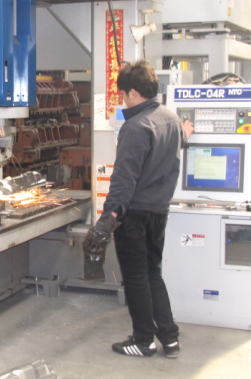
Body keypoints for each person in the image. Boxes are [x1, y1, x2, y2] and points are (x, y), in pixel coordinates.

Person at [83, 60, 194, 359]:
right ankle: (170, 338)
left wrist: (109, 218)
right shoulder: (171, 119)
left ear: (133, 92)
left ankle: (143, 340)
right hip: (159, 213)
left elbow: (124, 179)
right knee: (153, 274)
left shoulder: (135, 127)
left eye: (122, 94)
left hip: (134, 216)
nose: (122, 100)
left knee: (135, 278)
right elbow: (176, 143)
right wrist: (186, 134)